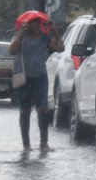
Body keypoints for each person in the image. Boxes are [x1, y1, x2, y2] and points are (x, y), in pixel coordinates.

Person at [9, 16, 64, 152]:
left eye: (38, 22)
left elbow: (60, 48)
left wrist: (55, 30)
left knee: (43, 110)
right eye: (33, 22)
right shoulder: (19, 36)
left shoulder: (44, 38)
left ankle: (43, 143)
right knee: (25, 111)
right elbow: (12, 50)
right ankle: (26, 145)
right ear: (27, 24)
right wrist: (21, 32)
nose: (37, 25)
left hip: (40, 78)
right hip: (24, 79)